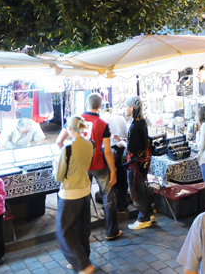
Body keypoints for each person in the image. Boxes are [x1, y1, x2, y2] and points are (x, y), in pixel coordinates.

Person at [58, 93, 121, 240]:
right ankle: (112, 231)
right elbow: (107, 150)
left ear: (86, 104)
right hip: (99, 165)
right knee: (108, 198)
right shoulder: (103, 124)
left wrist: (68, 157)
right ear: (100, 106)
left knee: (83, 199)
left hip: (81, 167)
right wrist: (113, 170)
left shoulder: (74, 121)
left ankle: (83, 235)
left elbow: (59, 142)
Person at [55, 116, 96, 274]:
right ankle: (82, 260)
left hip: (70, 193)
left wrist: (55, 166)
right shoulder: (89, 144)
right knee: (82, 228)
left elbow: (59, 176)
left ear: (70, 129)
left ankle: (83, 265)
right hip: (85, 189)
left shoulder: (68, 148)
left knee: (63, 230)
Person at [124, 96, 153, 228]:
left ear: (132, 108)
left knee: (137, 189)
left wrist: (122, 143)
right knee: (141, 187)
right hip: (143, 163)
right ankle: (148, 213)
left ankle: (144, 218)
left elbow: (133, 148)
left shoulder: (136, 125)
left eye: (127, 106)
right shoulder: (141, 122)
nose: (126, 109)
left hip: (137, 163)